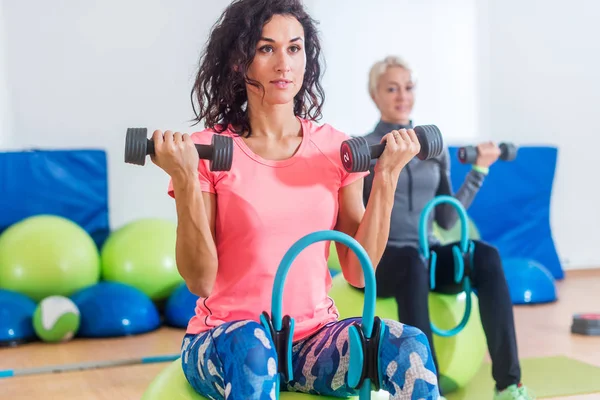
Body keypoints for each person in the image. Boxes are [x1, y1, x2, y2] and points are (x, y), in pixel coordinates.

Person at [149, 1, 440, 399]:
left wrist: (386, 176)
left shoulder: (336, 148)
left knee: (408, 345)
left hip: (311, 341)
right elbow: (199, 280)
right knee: (253, 346)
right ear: (239, 61)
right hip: (227, 338)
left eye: (294, 48)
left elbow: (356, 272)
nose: (284, 63)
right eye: (266, 48)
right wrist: (184, 178)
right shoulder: (207, 151)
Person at [361, 56, 534, 400]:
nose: (402, 96)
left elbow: (447, 219)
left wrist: (479, 171)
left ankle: (509, 384)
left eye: (408, 87)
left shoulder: (431, 148)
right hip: (385, 261)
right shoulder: (365, 149)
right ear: (375, 95)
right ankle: (430, 390)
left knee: (485, 256)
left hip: (426, 254)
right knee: (412, 262)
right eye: (392, 88)